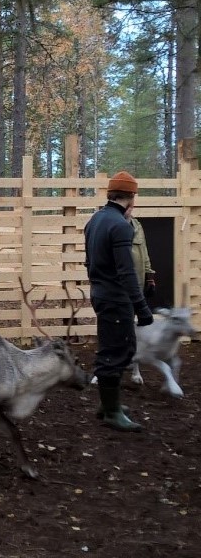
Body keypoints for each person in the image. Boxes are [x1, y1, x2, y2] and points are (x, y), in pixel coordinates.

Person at [84, 171, 154, 432]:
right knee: (119, 351)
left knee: (108, 348)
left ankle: (107, 405)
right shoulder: (121, 226)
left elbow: (89, 263)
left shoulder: (95, 220)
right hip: (116, 299)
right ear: (132, 197)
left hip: (100, 295)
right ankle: (112, 412)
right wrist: (142, 308)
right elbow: (126, 273)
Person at [126, 204, 156, 300]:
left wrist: (150, 278)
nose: (129, 208)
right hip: (118, 287)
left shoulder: (136, 225)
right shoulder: (112, 224)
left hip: (138, 283)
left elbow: (144, 251)